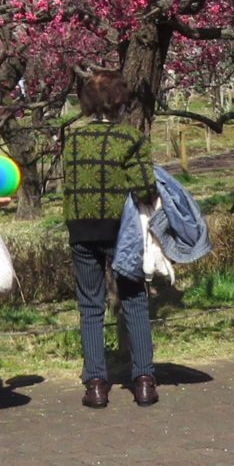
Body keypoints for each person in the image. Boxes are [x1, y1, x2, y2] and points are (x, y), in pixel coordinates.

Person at [58, 69, 158, 408]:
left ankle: (96, 385)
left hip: (82, 230)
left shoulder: (71, 140)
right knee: (133, 300)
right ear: (119, 100)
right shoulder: (130, 140)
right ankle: (143, 380)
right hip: (122, 231)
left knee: (90, 305)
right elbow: (145, 187)